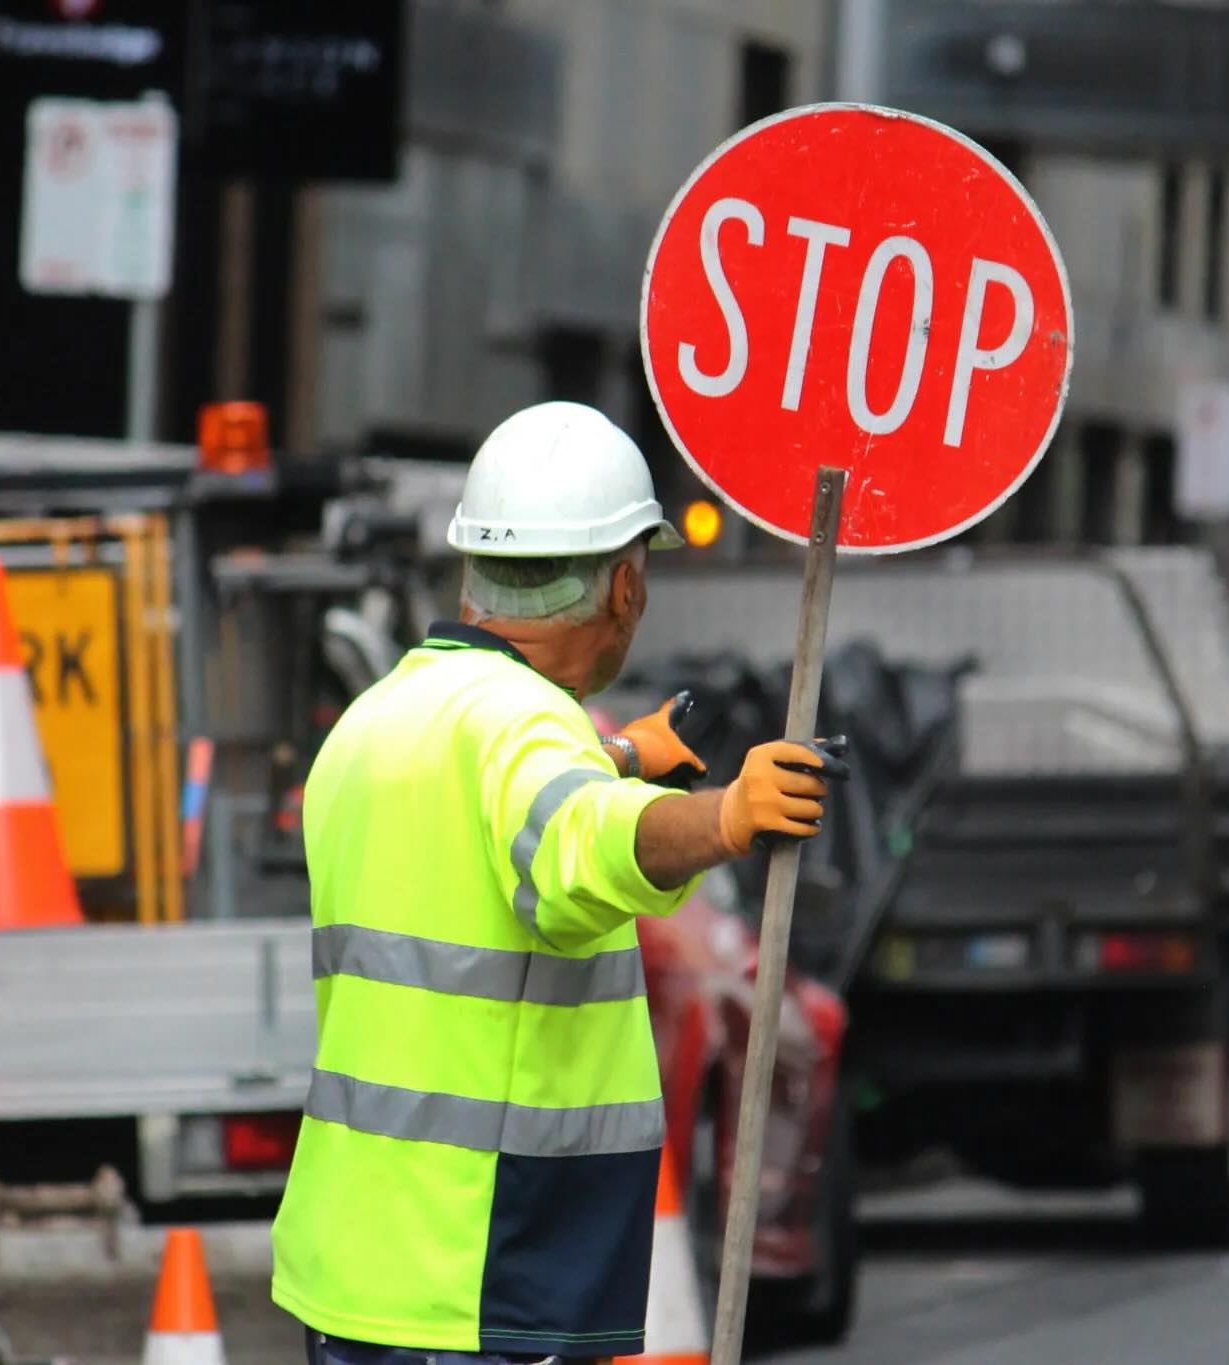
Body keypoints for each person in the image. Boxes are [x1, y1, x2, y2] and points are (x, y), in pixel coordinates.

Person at [272, 401, 848, 1365]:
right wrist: (728, 815)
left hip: (358, 1272)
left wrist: (614, 755)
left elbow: (492, 834)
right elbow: (579, 847)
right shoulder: (524, 727)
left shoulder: (374, 723)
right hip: (484, 1277)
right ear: (623, 585)